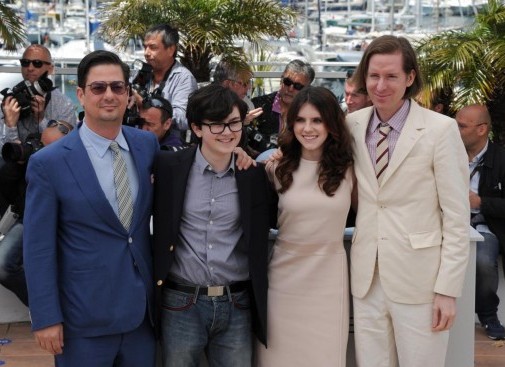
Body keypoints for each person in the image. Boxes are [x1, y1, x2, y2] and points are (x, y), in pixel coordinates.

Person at [23, 50, 159, 366]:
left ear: (128, 94)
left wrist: (242, 156)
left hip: (142, 318)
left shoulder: (145, 146)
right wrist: (45, 317)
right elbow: (38, 248)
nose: (109, 95)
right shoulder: (49, 163)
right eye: (99, 88)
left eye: (118, 87)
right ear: (81, 95)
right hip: (81, 321)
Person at [347, 35, 470, 366]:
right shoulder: (353, 125)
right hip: (366, 278)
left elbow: (457, 218)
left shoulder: (440, 130)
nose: (381, 85)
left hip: (421, 284)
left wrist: (447, 290)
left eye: (391, 76)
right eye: (374, 76)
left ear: (410, 78)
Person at [152, 85, 276, 367]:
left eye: (234, 123)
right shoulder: (168, 166)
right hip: (181, 302)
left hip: (237, 303)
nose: (227, 132)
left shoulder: (253, 175)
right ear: (197, 128)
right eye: (216, 125)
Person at [256, 86, 355, 366]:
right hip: (282, 283)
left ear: (331, 124)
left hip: (328, 282)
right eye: (300, 120)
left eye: (317, 120)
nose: (307, 128)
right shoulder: (276, 168)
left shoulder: (349, 169)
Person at [0, 119, 74, 307]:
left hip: (65, 223)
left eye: (49, 149)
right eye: (40, 144)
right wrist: (16, 165)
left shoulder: (77, 166)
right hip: (29, 219)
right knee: (2, 266)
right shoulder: (31, 164)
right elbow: (6, 188)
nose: (41, 152)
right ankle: (45, 309)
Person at [456, 104, 505, 340]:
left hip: (485, 224)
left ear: (482, 129)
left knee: (484, 260)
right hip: (447, 222)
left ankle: (488, 316)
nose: (455, 130)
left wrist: (480, 202)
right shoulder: (445, 151)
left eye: (461, 126)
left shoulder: (501, 158)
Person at [0, 44, 77, 152]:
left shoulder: (64, 104)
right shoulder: (10, 101)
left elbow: (66, 146)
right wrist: (10, 125)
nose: (30, 68)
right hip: (15, 164)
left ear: (50, 69)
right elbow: (3, 151)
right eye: (25, 63)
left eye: (37, 63)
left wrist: (41, 120)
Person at [248, 59, 315, 157]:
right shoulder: (259, 105)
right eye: (287, 82)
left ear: (307, 89)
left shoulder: (310, 112)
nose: (290, 89)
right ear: (281, 80)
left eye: (297, 86)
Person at [142, 23, 198, 138]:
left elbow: (184, 119)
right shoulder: (142, 75)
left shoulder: (183, 78)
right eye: (145, 47)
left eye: (153, 47)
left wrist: (147, 107)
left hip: (168, 149)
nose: (146, 53)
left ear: (171, 49)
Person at [212, 58, 263, 123]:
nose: (249, 87)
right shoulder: (209, 105)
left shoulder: (245, 102)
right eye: (245, 82)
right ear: (227, 84)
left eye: (249, 81)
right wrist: (240, 122)